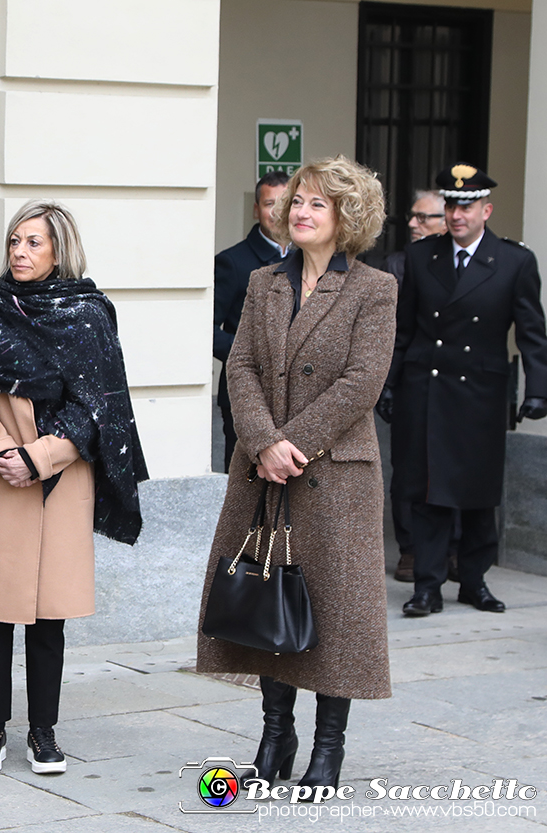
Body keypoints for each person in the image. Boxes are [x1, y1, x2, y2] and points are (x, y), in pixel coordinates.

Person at [196, 157, 395, 797]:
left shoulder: (374, 288)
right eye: (297, 203)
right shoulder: (263, 282)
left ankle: (327, 750)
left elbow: (361, 382)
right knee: (266, 600)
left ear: (347, 217)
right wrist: (261, 442)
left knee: (333, 613)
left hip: (334, 476)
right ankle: (275, 734)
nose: (301, 212)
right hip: (263, 471)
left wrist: (291, 444)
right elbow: (242, 367)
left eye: (317, 203)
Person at [0, 201, 148, 776]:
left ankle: (43, 733)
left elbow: (100, 406)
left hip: (59, 480)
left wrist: (40, 457)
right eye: (14, 241)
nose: (19, 252)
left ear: (60, 250)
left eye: (34, 242)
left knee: (48, 618)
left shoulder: (87, 315)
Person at [383, 165, 547, 617]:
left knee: (478, 493)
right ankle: (427, 587)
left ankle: (474, 582)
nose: (457, 215)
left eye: (467, 206)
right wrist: (390, 382)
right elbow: (403, 329)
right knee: (429, 491)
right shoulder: (421, 257)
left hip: (480, 392)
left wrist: (538, 389)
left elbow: (532, 331)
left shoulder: (514, 261)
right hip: (428, 388)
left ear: (486, 210)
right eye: (452, 205)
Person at [379, 189, 450, 583]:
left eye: (424, 218)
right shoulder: (397, 264)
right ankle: (410, 550)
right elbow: (392, 334)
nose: (412, 224)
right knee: (407, 470)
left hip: (454, 389)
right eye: (413, 216)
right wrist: (387, 383)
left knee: (451, 468)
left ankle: (451, 550)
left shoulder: (463, 265)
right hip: (410, 382)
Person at [214, 171, 291, 471]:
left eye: (286, 203)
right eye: (270, 203)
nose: (278, 212)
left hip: (294, 394)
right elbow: (207, 331)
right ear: (256, 209)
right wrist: (252, 355)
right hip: (244, 391)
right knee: (246, 481)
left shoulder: (309, 259)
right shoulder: (233, 261)